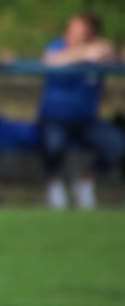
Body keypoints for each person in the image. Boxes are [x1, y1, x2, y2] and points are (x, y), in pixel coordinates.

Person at [38, 12, 125, 209]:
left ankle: (85, 182)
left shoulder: (98, 52)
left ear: (92, 35)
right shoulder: (57, 46)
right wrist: (83, 53)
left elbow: (117, 56)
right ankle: (54, 185)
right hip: (55, 118)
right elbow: (50, 60)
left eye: (80, 33)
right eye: (71, 31)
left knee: (117, 145)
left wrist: (112, 51)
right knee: (53, 143)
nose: (73, 36)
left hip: (87, 121)